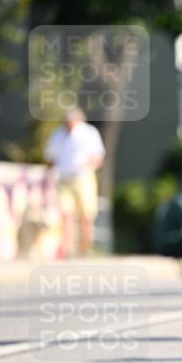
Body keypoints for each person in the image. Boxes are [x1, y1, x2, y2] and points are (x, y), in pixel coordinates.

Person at [44, 107, 106, 257]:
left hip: (83, 177)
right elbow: (51, 158)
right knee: (66, 214)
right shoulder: (58, 134)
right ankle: (68, 249)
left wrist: (88, 165)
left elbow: (98, 158)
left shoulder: (89, 133)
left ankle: (85, 248)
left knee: (86, 215)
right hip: (64, 178)